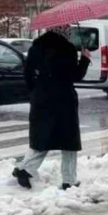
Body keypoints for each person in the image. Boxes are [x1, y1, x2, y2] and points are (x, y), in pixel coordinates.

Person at [12, 29, 91, 191]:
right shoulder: (67, 49)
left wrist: (36, 91)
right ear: (63, 33)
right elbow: (75, 75)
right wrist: (84, 59)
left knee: (43, 138)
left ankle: (25, 169)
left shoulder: (36, 48)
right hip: (63, 100)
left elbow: (27, 74)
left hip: (41, 99)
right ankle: (69, 180)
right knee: (68, 141)